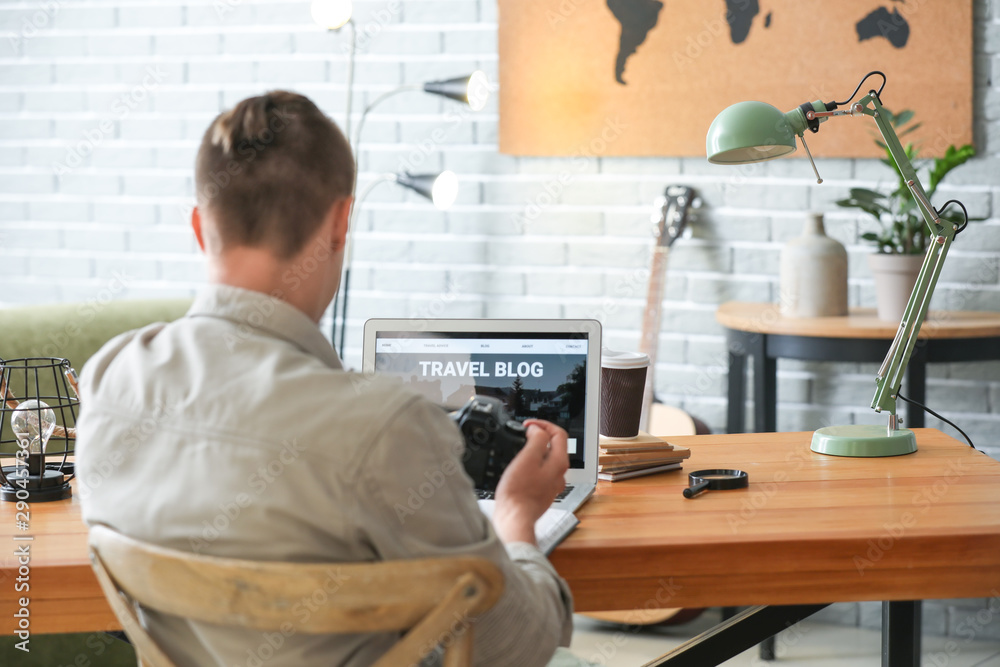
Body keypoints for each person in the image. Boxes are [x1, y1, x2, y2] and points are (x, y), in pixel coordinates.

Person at [75, 91, 582, 666]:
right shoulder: (385, 426)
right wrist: (517, 514)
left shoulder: (109, 379)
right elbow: (514, 650)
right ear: (342, 221)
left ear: (199, 226)